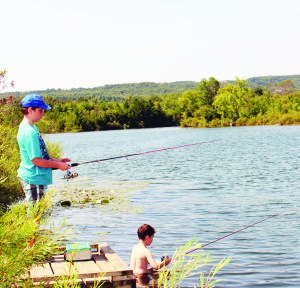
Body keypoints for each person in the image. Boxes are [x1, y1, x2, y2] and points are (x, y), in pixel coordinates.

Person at [17, 93, 71, 203]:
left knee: (38, 211)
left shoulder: (33, 128)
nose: (43, 114)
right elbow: (36, 160)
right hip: (33, 178)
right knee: (35, 215)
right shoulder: (29, 132)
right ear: (30, 110)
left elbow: (40, 153)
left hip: (37, 177)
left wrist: (56, 160)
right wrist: (57, 165)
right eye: (40, 110)